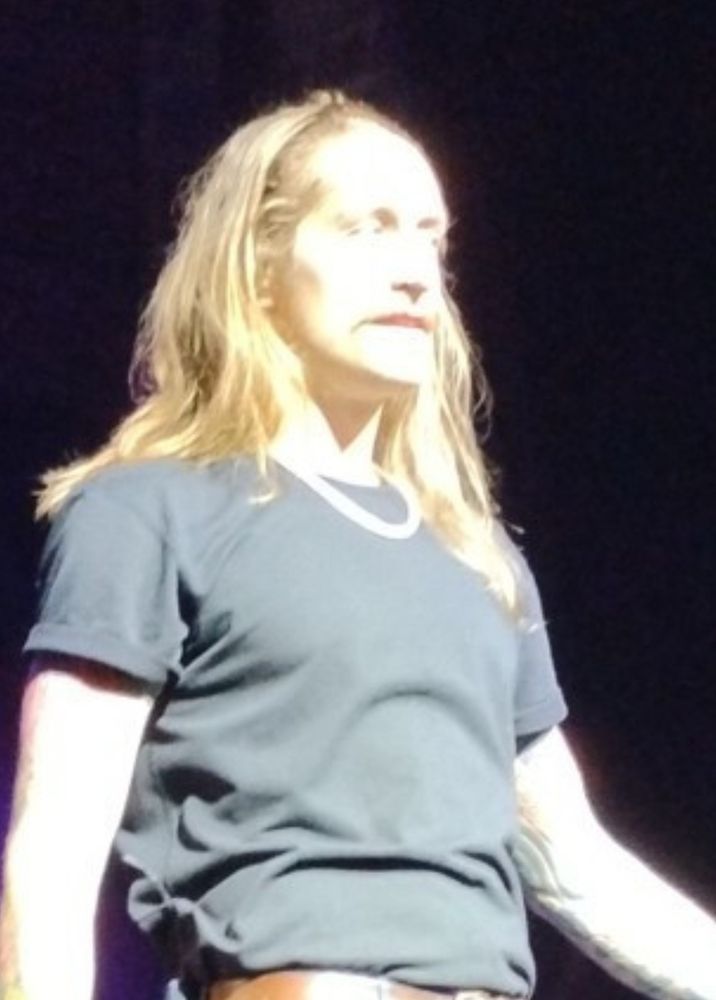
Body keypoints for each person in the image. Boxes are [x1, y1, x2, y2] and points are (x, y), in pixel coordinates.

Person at [0, 90, 714, 1000]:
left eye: (430, 239)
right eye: (366, 228)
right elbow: (54, 856)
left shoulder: (477, 558)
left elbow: (576, 866)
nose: (414, 272)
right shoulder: (149, 511)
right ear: (260, 266)